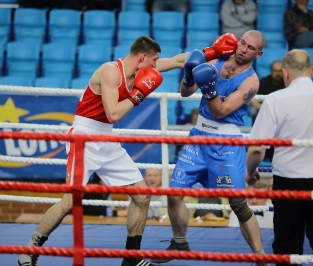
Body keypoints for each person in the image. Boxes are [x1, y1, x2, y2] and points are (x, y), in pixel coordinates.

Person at [18, 36, 189, 266]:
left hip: (106, 137)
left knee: (143, 195)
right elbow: (114, 114)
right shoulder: (110, 71)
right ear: (142, 57)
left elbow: (179, 61)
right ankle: (28, 251)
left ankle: (131, 259)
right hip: (84, 137)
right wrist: (139, 94)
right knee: (70, 201)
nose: (156, 65)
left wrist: (214, 54)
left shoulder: (142, 69)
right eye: (154, 60)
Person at [151, 30, 269, 266]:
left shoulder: (251, 82)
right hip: (198, 136)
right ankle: (180, 242)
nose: (243, 49)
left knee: (237, 203)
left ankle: (259, 256)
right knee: (174, 194)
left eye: (250, 48)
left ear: (259, 53)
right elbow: (185, 93)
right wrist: (188, 75)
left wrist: (208, 86)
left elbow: (221, 111)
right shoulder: (216, 58)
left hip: (226, 143)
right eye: (242, 43)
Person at [246, 49, 313, 265]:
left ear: (285, 73)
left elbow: (256, 149)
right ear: (312, 70)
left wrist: (250, 172)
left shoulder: (275, 99)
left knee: (287, 248)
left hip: (288, 184)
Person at [248, 60, 285, 161]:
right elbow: (254, 101)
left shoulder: (286, 84)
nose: (277, 73)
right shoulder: (264, 82)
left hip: (280, 111)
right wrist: (267, 110)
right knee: (253, 111)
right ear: (271, 71)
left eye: (279, 71)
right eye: (275, 70)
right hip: (264, 111)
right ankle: (257, 137)